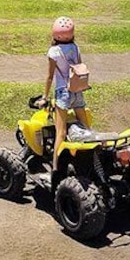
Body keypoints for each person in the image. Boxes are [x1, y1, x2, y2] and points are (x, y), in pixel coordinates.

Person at [41, 16, 89, 172]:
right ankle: (89, 158)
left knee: (60, 132)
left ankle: (55, 166)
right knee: (86, 127)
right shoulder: (75, 48)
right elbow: (80, 67)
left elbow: (49, 77)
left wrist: (44, 97)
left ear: (55, 34)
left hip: (63, 93)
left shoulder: (53, 52)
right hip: (78, 91)